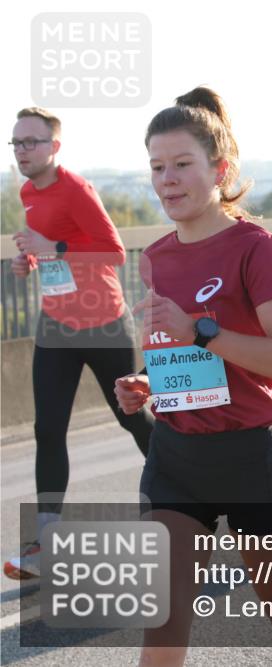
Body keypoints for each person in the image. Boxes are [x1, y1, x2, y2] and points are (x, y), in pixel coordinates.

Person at [114, 87, 272, 666]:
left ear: (219, 169)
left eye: (182, 165)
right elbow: (188, 358)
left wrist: (202, 329)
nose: (167, 180)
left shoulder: (255, 248)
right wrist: (150, 384)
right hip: (176, 460)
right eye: (157, 168)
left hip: (250, 459)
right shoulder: (157, 257)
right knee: (164, 618)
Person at [4, 107, 153, 580]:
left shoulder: (77, 189)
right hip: (55, 327)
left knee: (133, 418)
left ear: (54, 147)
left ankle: (187, 499)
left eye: (32, 142)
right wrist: (30, 260)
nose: (22, 151)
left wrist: (57, 249)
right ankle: (43, 545)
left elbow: (113, 251)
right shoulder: (27, 192)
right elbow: (48, 252)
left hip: (105, 323)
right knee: (48, 431)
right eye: (16, 143)